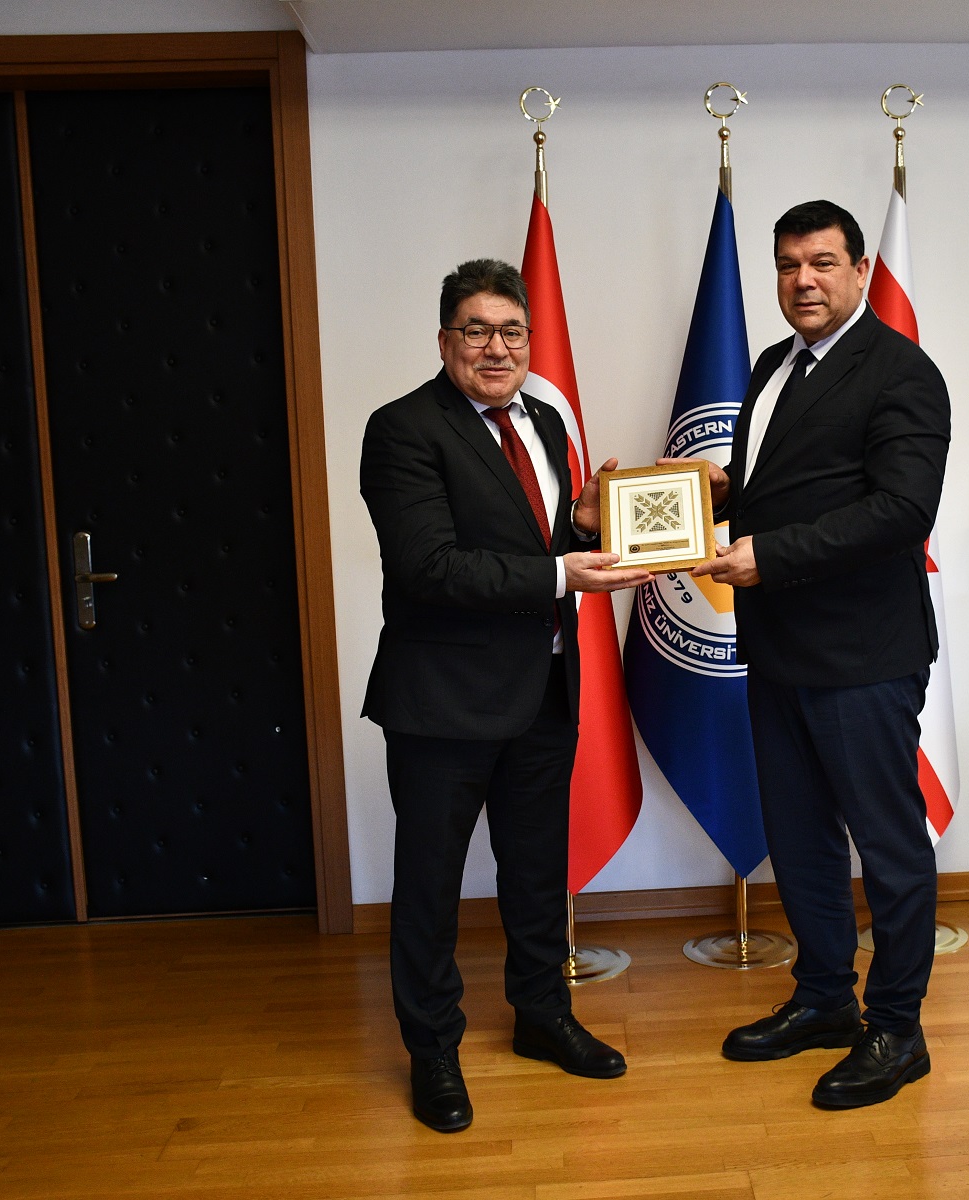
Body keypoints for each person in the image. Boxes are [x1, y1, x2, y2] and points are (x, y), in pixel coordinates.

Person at [358, 259, 652, 1133]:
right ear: (444, 339)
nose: (497, 348)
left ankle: (542, 1016)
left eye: (512, 331)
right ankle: (433, 1050)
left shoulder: (545, 422)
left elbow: (534, 539)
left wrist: (583, 524)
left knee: (535, 873)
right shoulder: (402, 429)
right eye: (477, 331)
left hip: (542, 691)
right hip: (442, 702)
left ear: (530, 339)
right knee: (430, 885)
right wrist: (565, 570)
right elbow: (431, 567)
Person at [687, 200, 950, 1110]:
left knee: (888, 845)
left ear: (860, 269)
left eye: (823, 263)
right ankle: (825, 999)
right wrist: (720, 491)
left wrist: (769, 554)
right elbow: (791, 484)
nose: (804, 280)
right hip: (777, 649)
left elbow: (901, 512)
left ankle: (898, 1029)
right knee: (799, 840)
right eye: (789, 264)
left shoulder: (903, 373)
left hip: (863, 655)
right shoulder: (772, 366)